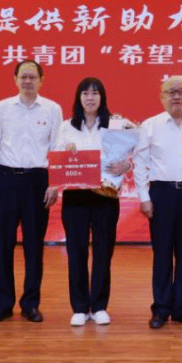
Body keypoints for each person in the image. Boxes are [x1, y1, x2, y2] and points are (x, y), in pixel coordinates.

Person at [0, 60, 63, 324]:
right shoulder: (2, 107)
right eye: (23, 77)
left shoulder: (52, 109)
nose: (27, 81)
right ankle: (2, 304)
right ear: (15, 79)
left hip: (38, 182)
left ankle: (31, 304)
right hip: (6, 179)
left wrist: (55, 184)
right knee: (3, 245)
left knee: (33, 247)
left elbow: (57, 148)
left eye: (32, 77)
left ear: (42, 80)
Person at [133, 76, 182, 329]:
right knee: (162, 253)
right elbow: (140, 164)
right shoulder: (150, 126)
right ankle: (161, 308)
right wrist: (144, 197)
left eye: (181, 92)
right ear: (162, 96)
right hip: (161, 195)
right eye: (171, 92)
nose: (176, 96)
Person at [54, 77, 132, 327]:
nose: (90, 98)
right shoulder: (66, 127)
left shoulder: (116, 125)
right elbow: (56, 159)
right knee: (76, 252)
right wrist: (65, 154)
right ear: (79, 98)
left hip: (105, 197)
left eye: (95, 93)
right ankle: (79, 306)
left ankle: (98, 306)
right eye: (85, 93)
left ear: (102, 98)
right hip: (75, 196)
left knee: (102, 252)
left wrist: (125, 165)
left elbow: (130, 157)